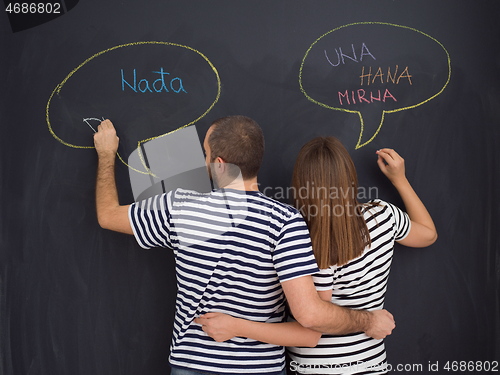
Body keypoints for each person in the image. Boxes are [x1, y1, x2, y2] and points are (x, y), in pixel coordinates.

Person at [93, 117, 396, 375]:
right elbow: (310, 320)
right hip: (259, 367)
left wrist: (106, 155)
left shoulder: (180, 208)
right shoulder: (286, 221)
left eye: (206, 154)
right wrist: (368, 319)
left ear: (220, 164)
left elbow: (107, 215)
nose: (204, 161)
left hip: (192, 365)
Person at [195, 136, 437, 374]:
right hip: (371, 364)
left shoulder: (308, 239)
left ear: (301, 183)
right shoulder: (383, 215)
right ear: (350, 175)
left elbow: (314, 322)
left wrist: (236, 326)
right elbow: (427, 234)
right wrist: (400, 179)